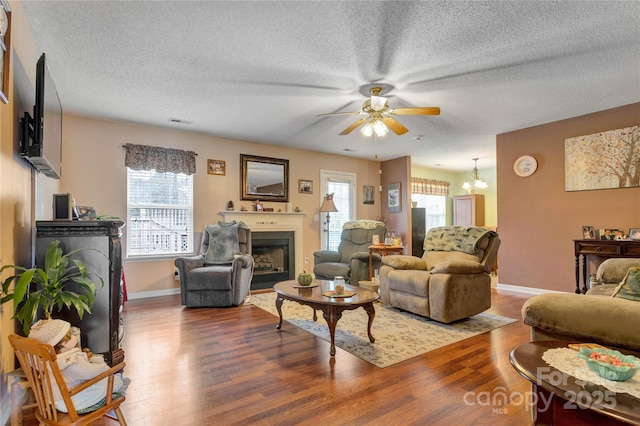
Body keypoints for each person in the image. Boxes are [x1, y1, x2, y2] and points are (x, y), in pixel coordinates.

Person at [28, 319, 129, 413]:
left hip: (55, 401)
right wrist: (97, 360)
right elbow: (97, 371)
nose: (74, 336)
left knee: (100, 382)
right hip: (74, 403)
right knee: (111, 380)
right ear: (64, 344)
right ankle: (120, 386)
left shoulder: (49, 360)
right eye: (71, 335)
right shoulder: (73, 361)